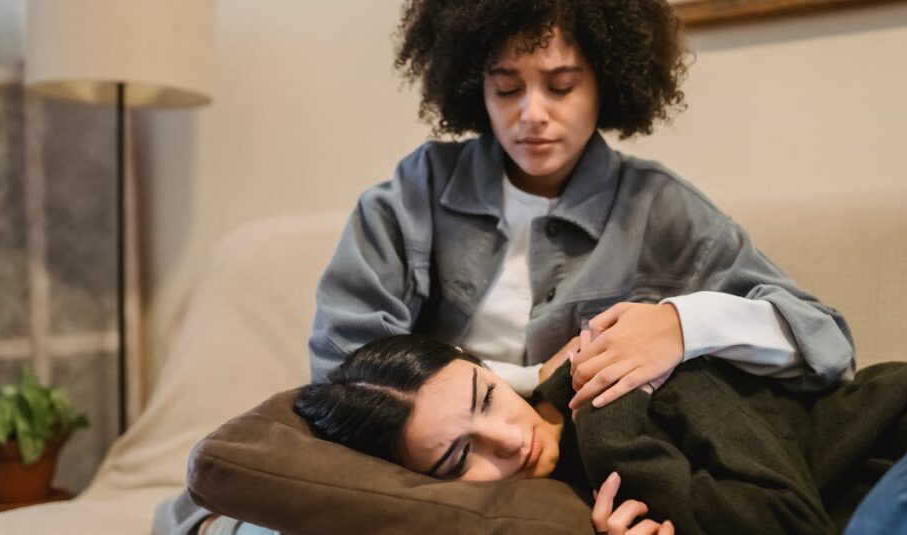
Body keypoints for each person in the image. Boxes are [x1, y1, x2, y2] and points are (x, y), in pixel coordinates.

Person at [310, 0, 855, 420]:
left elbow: (827, 348)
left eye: (561, 86)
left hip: (580, 470)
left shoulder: (657, 207)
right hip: (437, 465)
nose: (532, 114)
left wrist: (682, 326)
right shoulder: (419, 189)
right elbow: (343, 364)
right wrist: (526, 382)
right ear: (474, 86)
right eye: (505, 88)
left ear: (606, 82)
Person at [296, 330, 907, 535]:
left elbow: (791, 521)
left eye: (487, 398)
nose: (508, 438)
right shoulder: (568, 498)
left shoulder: (620, 376)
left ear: (487, 367)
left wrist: (629, 452)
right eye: (458, 456)